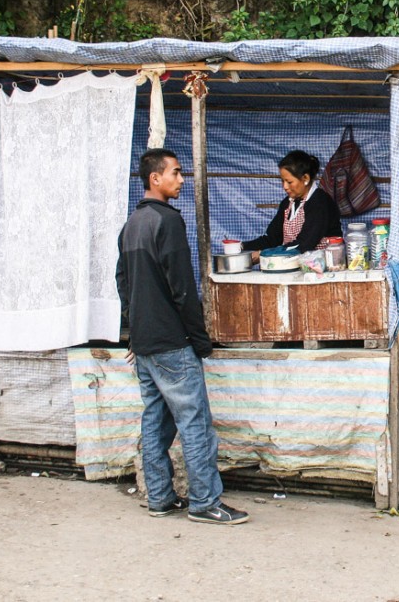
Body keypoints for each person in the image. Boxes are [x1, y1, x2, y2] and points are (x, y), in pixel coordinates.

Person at [116, 148, 249, 526]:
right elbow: (183, 288)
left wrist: (134, 328)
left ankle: (159, 497)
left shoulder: (132, 224)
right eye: (174, 172)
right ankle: (205, 502)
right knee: (194, 423)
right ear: (154, 179)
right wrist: (200, 337)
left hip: (144, 344)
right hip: (172, 343)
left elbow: (122, 282)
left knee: (156, 421)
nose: (180, 179)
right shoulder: (167, 222)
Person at [242, 150, 342, 260]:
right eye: (282, 181)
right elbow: (272, 239)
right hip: (297, 266)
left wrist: (264, 253)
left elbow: (304, 244)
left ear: (305, 179)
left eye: (289, 182)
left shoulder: (320, 202)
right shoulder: (287, 203)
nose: (285, 186)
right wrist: (242, 246)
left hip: (325, 268)